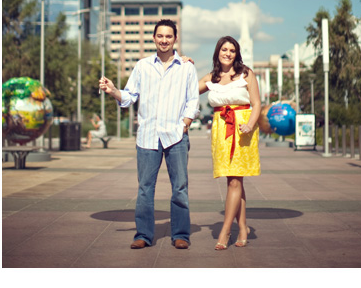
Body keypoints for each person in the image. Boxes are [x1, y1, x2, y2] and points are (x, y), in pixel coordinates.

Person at [100, 19, 199, 249]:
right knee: (145, 188)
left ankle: (181, 234)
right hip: (147, 136)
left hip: (176, 137)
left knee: (180, 187)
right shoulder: (143, 66)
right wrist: (113, 90)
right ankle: (143, 235)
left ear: (175, 39)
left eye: (169, 36)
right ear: (154, 38)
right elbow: (129, 97)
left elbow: (193, 100)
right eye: (160, 36)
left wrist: (184, 125)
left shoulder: (187, 67)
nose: (164, 40)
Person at [198, 36, 262, 250]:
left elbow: (256, 104)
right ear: (217, 52)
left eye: (232, 50)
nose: (227, 53)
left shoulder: (246, 73)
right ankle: (243, 228)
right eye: (224, 49)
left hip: (242, 130)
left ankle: (226, 231)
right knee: (234, 180)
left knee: (234, 181)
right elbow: (187, 88)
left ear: (237, 53)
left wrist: (250, 125)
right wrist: (185, 64)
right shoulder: (211, 77)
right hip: (221, 130)